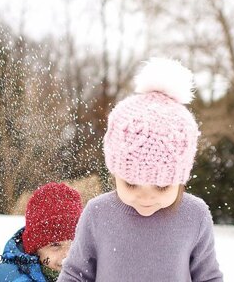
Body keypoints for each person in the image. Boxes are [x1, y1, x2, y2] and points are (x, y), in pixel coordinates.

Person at [58, 57, 223, 282]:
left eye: (162, 186)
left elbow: (208, 278)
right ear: (115, 173)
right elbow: (75, 274)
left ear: (180, 179)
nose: (146, 197)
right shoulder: (97, 214)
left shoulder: (195, 216)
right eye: (131, 183)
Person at [0, 182, 83, 282]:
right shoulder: (0, 278)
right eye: (55, 245)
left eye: (74, 244)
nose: (67, 255)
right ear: (34, 251)